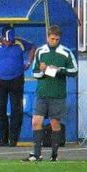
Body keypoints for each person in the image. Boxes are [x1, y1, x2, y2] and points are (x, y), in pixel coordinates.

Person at [24, 24, 77, 163]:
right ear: (47, 37)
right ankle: (36, 154)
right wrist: (44, 71)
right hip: (42, 92)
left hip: (57, 93)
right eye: (52, 39)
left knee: (55, 123)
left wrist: (57, 70)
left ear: (60, 39)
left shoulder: (66, 52)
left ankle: (54, 154)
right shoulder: (40, 51)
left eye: (56, 39)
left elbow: (74, 70)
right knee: (36, 121)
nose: (54, 41)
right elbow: (35, 72)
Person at [0, 25, 35, 147]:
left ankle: (13, 139)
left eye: (11, 40)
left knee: (16, 109)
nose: (9, 42)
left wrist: (29, 62)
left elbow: (33, 47)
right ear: (2, 37)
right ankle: (3, 138)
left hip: (16, 79)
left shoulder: (20, 43)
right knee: (0, 108)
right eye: (7, 40)